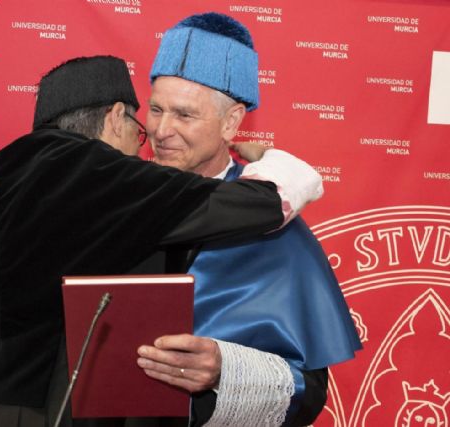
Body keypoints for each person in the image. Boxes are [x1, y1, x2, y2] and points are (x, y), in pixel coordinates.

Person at [0, 55, 323, 426]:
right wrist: (272, 159)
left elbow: (19, 289)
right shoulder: (100, 170)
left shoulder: (14, 166)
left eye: (183, 114)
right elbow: (263, 204)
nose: (148, 142)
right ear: (117, 117)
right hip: (46, 408)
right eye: (144, 126)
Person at [132, 12, 362, 427]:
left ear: (232, 122)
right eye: (155, 109)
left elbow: (309, 391)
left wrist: (226, 370)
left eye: (184, 115)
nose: (162, 130)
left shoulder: (274, 226)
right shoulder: (119, 196)